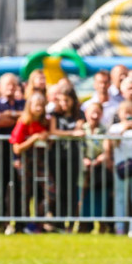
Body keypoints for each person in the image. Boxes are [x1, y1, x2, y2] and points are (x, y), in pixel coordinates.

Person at [10, 92, 49, 234]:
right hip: (26, 162)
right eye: (36, 105)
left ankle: (37, 222)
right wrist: (33, 139)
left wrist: (46, 137)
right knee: (25, 195)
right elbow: (17, 147)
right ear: (30, 106)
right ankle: (25, 224)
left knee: (50, 192)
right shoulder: (23, 122)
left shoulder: (45, 122)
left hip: (41, 163)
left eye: (41, 106)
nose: (39, 108)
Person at [106, 100, 132, 235]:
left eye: (131, 112)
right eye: (126, 112)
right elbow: (114, 144)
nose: (129, 115)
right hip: (120, 166)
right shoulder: (115, 128)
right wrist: (124, 130)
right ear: (120, 113)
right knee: (120, 197)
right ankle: (120, 226)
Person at [46, 83, 84, 227]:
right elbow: (53, 131)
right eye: (61, 100)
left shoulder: (79, 114)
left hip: (73, 156)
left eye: (66, 100)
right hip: (56, 156)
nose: (64, 104)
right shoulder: (55, 113)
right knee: (59, 188)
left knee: (72, 188)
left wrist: (71, 133)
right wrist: (72, 133)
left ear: (73, 100)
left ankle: (72, 221)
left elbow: (80, 128)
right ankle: (59, 222)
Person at [0, 73, 24, 229]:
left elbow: (27, 117)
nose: (11, 88)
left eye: (14, 85)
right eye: (8, 85)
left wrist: (11, 115)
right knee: (1, 186)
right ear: (1, 87)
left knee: (20, 188)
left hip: (19, 151)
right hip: (1, 151)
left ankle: (19, 223)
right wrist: (16, 118)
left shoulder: (22, 103)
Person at [79, 102, 111, 232]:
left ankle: (101, 224)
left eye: (98, 112)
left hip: (99, 169)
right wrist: (84, 159)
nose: (94, 115)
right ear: (86, 113)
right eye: (92, 112)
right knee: (83, 198)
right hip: (83, 169)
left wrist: (99, 160)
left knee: (100, 197)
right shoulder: (81, 129)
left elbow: (107, 149)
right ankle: (84, 225)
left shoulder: (105, 129)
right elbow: (78, 148)